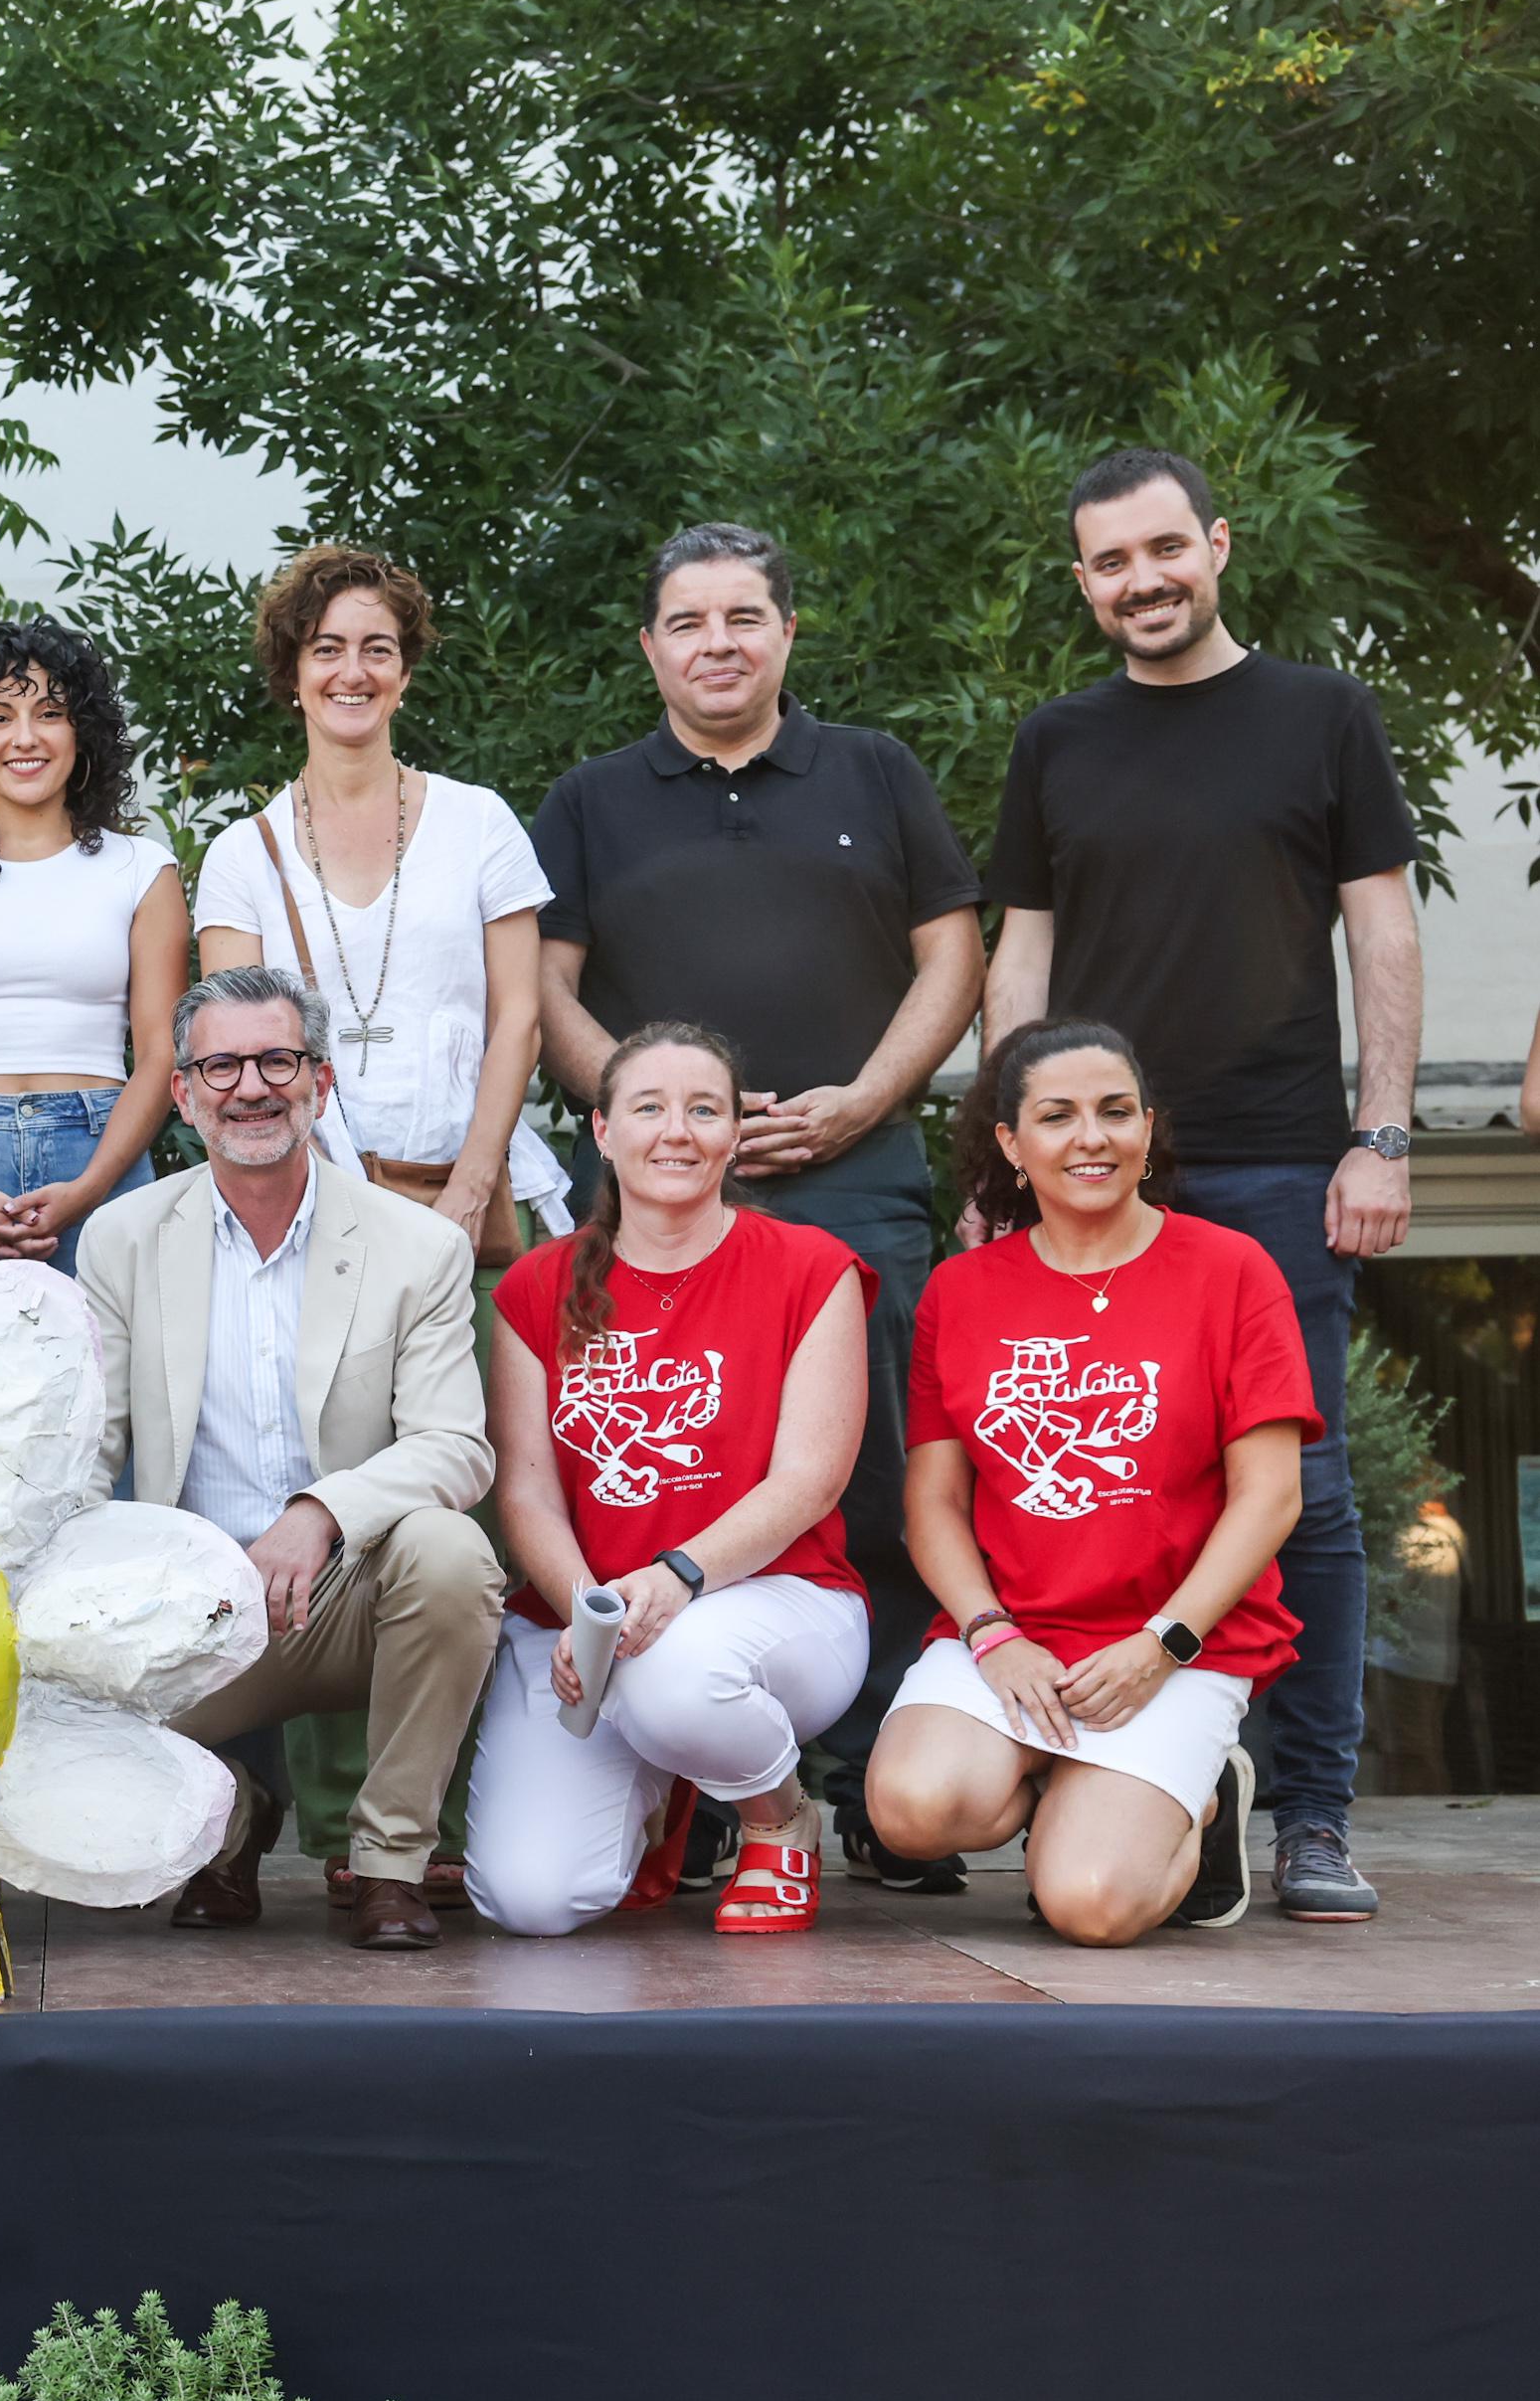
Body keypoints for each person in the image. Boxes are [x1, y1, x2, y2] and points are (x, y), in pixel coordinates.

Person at [982, 447, 1421, 1923]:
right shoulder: (1056, 740)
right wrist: (1004, 1143)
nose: (1140, 580)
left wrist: (1382, 1134)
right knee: (1085, 1464)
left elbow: (1383, 934)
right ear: (1083, 583)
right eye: (1109, 562)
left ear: (1215, 546)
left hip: (1277, 1157)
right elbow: (1021, 960)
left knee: (1306, 1498)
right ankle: (1124, 1770)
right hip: (1085, 1171)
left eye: (1163, 549)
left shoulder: (1322, 716)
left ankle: (1310, 1814)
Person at [531, 520, 981, 1888]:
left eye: (742, 616)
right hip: (658, 1206)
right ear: (649, 645)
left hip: (849, 1176)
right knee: (682, 1454)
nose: (714, 642)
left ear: (786, 631)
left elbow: (950, 952)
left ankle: (882, 1790)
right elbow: (542, 989)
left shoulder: (872, 771)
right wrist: (659, 1120)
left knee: (882, 1466)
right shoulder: (591, 799)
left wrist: (859, 1097)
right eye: (686, 620)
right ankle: (721, 1775)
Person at [78, 967, 505, 1952]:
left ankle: (390, 1862)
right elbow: (90, 1442)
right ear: (180, 1094)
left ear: (320, 1080)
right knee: (47, 1728)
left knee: (448, 1552)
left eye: (275, 1060)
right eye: (218, 1065)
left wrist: (317, 1512)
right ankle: (230, 1812)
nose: (249, 1087)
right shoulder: (122, 1239)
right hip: (186, 1616)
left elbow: (454, 1447)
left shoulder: (417, 1246)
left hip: (349, 1591)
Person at [866, 1021, 1312, 1945]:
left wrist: (1164, 1642)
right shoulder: (961, 1290)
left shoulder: (1233, 1271)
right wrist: (992, 1634)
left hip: (1176, 1637)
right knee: (911, 1812)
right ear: (1010, 1144)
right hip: (1017, 1632)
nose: (1091, 1138)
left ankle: (1192, 1801)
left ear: (1148, 1129)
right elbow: (934, 1503)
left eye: (1116, 1112)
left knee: (1091, 1904)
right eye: (1057, 1116)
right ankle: (1078, 1778)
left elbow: (1270, 1495)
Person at [468, 1024, 872, 1939]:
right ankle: (663, 1796)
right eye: (648, 1107)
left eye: (704, 1109)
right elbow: (528, 1492)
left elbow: (809, 1478)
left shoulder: (811, 1269)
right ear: (603, 1131)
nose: (676, 1131)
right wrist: (588, 1609)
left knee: (673, 1678)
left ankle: (776, 1817)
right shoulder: (538, 1284)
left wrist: (677, 1576)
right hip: (589, 1618)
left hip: (775, 1602)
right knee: (532, 1900)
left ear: (736, 1133)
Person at [193, 545, 565, 1265]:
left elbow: (519, 1018)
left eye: (378, 649)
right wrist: (330, 1209)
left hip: (475, 1207)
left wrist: (470, 1189)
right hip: (305, 1220)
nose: (353, 672)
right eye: (326, 649)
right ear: (293, 674)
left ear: (404, 673)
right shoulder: (242, 856)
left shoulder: (481, 823)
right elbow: (237, 1053)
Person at [0, 617, 189, 1275]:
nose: (25, 738)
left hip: (104, 1155)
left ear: (84, 735)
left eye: (50, 713)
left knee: (113, 1376)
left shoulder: (143, 870)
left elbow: (162, 1053)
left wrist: (90, 1189)